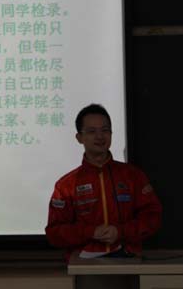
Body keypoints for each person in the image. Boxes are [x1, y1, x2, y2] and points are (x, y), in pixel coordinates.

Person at [45, 104, 162, 261]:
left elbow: (152, 217)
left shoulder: (133, 175)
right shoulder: (66, 185)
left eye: (105, 130)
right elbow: (54, 233)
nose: (100, 136)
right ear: (79, 138)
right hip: (84, 264)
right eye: (92, 131)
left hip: (129, 260)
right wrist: (91, 232)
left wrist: (120, 231)